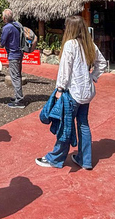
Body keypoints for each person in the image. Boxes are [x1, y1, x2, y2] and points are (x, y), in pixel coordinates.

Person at [36, 15, 107, 170]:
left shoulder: (70, 45)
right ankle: (85, 159)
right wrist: (92, 77)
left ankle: (55, 158)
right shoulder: (89, 45)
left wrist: (59, 88)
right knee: (83, 124)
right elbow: (102, 63)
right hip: (86, 92)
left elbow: (65, 70)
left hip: (73, 92)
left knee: (66, 126)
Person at [1, 9, 24, 109]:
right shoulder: (17, 25)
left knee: (15, 77)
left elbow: (2, 42)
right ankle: (17, 97)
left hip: (13, 54)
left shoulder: (7, 28)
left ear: (4, 18)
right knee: (17, 75)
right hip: (19, 53)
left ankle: (19, 100)